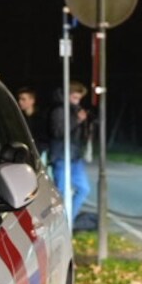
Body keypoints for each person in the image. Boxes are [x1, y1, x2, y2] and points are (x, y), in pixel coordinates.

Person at [49, 81, 91, 226]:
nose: (77, 101)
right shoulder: (59, 111)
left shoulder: (75, 110)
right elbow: (58, 132)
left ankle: (68, 221)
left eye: (79, 98)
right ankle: (59, 224)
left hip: (75, 157)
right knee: (62, 193)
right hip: (61, 157)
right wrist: (77, 120)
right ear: (66, 95)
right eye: (74, 97)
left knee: (84, 189)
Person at [15, 86, 44, 151]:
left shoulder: (41, 118)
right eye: (19, 99)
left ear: (32, 100)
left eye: (23, 99)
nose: (20, 102)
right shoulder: (18, 118)